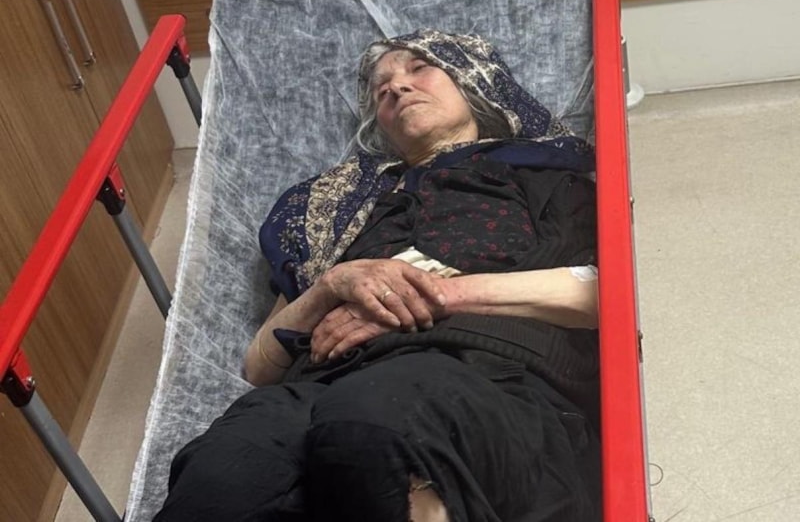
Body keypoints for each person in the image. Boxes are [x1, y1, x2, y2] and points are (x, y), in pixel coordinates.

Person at [155, 29, 601, 522]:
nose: (396, 87)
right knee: (223, 468)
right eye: (381, 88)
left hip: (484, 372)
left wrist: (434, 296)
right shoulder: (337, 210)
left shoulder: (542, 176)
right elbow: (259, 368)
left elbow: (598, 295)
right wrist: (332, 284)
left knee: (371, 420)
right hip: (318, 387)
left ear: (473, 81)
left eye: (419, 68)